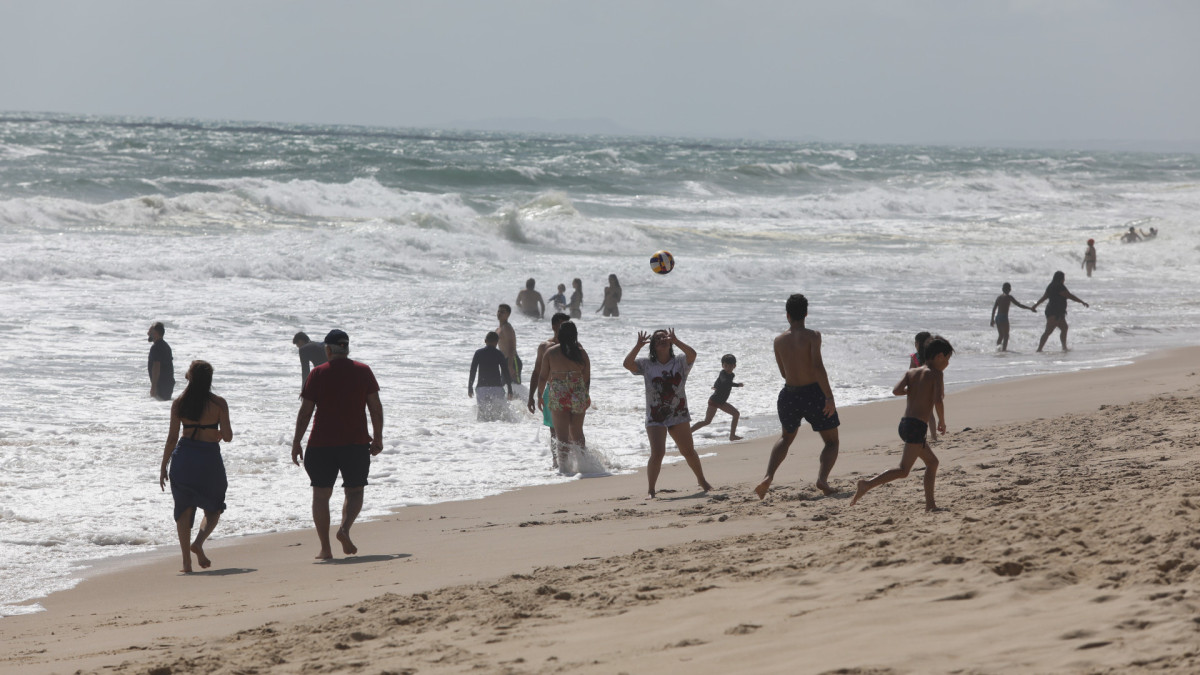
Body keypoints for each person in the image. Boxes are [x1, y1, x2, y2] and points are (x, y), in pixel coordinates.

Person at [291, 329, 384, 560]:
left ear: (328, 349)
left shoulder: (318, 374)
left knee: (321, 495)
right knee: (354, 491)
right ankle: (344, 529)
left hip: (321, 444)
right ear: (347, 348)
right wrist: (378, 436)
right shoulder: (364, 371)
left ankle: (325, 549)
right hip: (355, 443)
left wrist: (296, 442)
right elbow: (375, 406)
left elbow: (305, 413)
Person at [851, 336, 953, 512]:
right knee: (903, 470)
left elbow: (896, 390)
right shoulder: (936, 374)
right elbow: (938, 400)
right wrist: (942, 421)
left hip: (905, 424)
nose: (947, 364)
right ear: (939, 357)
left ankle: (930, 505)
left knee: (932, 462)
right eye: (947, 359)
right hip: (916, 427)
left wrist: (914, 391)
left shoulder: (911, 373)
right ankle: (866, 485)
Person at [755, 294, 839, 500]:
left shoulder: (778, 341)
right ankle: (822, 479)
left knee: (785, 438)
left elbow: (784, 373)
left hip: (789, 394)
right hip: (813, 393)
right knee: (831, 442)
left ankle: (768, 477)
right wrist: (829, 397)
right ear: (806, 313)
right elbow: (818, 367)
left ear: (787, 315)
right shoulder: (813, 336)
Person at [159, 360, 233, 573]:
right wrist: (217, 433)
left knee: (183, 509)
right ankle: (199, 542)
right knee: (214, 507)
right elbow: (227, 436)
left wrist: (164, 466)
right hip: (209, 459)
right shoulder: (219, 403)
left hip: (184, 459)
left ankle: (186, 563)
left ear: (190, 377)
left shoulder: (179, 403)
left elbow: (172, 438)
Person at [623, 329, 712, 498]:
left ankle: (702, 480)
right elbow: (627, 364)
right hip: (655, 414)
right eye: (657, 338)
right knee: (657, 453)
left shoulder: (679, 362)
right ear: (653, 345)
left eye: (664, 337)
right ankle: (651, 490)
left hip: (678, 413)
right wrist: (638, 346)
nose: (661, 339)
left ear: (669, 341)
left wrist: (676, 341)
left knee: (688, 451)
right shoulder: (647, 364)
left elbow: (693, 354)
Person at [537, 321, 590, 469]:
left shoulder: (551, 352)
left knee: (561, 437)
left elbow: (542, 377)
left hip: (559, 394)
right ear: (575, 335)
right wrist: (585, 395)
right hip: (578, 393)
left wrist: (539, 395)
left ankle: (564, 469)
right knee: (577, 434)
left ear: (559, 334)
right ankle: (584, 466)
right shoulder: (581, 353)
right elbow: (586, 377)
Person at [528, 312, 570, 467]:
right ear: (553, 326)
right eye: (561, 325)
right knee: (554, 430)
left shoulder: (574, 346)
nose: (565, 328)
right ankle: (556, 461)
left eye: (567, 325)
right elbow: (537, 372)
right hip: (551, 390)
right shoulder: (545, 346)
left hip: (570, 390)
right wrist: (532, 396)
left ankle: (572, 459)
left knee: (571, 429)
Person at [1031, 271, 1089, 352]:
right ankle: (1039, 349)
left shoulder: (1050, 286)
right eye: (1063, 278)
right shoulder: (1059, 286)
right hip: (1054, 312)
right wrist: (1082, 302)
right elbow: (1070, 296)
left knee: (1064, 328)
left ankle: (1064, 347)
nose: (1064, 280)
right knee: (1048, 331)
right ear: (1061, 279)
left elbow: (1044, 297)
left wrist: (1035, 305)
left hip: (1054, 311)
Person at [690, 354, 744, 441]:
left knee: (736, 414)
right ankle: (687, 433)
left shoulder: (732, 375)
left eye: (730, 366)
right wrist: (737, 385)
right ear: (722, 365)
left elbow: (719, 381)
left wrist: (716, 385)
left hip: (721, 402)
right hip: (714, 401)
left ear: (734, 366)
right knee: (707, 421)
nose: (728, 368)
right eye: (725, 365)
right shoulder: (723, 373)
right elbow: (723, 381)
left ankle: (732, 436)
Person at [469, 331, 513, 422]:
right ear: (497, 342)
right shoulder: (499, 354)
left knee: (482, 414)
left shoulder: (478, 353)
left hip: (482, 388)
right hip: (497, 387)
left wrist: (470, 387)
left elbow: (472, 371)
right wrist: (510, 388)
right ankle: (497, 431)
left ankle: (484, 431)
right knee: (499, 413)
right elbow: (505, 371)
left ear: (485, 341)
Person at [907, 331, 939, 441]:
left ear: (918, 344)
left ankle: (923, 436)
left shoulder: (914, 357)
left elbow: (910, 373)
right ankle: (934, 436)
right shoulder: (932, 356)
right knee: (930, 414)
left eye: (915, 343)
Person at [990, 282, 1034, 352]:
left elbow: (994, 308)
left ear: (1002, 289)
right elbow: (1019, 305)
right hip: (1004, 317)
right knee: (1006, 336)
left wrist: (992, 319)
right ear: (1010, 289)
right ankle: (1004, 350)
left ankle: (997, 349)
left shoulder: (999, 297)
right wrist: (1030, 308)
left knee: (1001, 335)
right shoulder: (1009, 297)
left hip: (998, 317)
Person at [147, 322, 175, 401]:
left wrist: (153, 387)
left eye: (150, 332)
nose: (148, 333)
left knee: (159, 406)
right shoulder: (166, 346)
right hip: (168, 383)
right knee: (164, 406)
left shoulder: (156, 347)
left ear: (155, 333)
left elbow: (156, 367)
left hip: (161, 384)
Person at [495, 304, 521, 384]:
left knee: (515, 390)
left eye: (502, 312)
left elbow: (512, 347)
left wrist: (510, 365)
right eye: (499, 311)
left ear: (508, 315)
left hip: (512, 361)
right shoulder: (498, 329)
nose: (499, 313)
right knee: (505, 389)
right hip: (504, 362)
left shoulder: (507, 327)